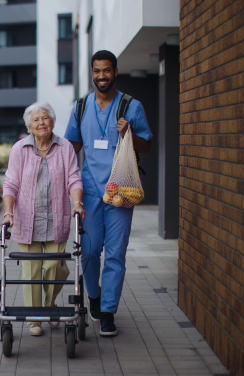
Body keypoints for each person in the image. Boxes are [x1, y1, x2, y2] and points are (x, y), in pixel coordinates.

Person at [64, 50, 153, 336]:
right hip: (90, 190)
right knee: (89, 251)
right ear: (92, 73)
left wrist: (129, 134)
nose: (101, 76)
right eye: (96, 71)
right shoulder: (80, 107)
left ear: (115, 71)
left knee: (115, 253)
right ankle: (94, 298)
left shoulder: (131, 106)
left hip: (122, 191)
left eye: (106, 70)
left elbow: (147, 146)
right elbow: (70, 150)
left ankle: (109, 312)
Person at [2, 102, 85, 337]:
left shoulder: (65, 146)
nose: (41, 123)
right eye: (36, 119)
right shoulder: (19, 149)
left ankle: (49, 306)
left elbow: (73, 178)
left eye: (45, 118)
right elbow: (11, 183)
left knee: (55, 267)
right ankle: (35, 318)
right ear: (29, 125)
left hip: (55, 219)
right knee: (31, 270)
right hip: (26, 220)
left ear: (53, 122)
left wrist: (77, 204)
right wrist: (8, 213)